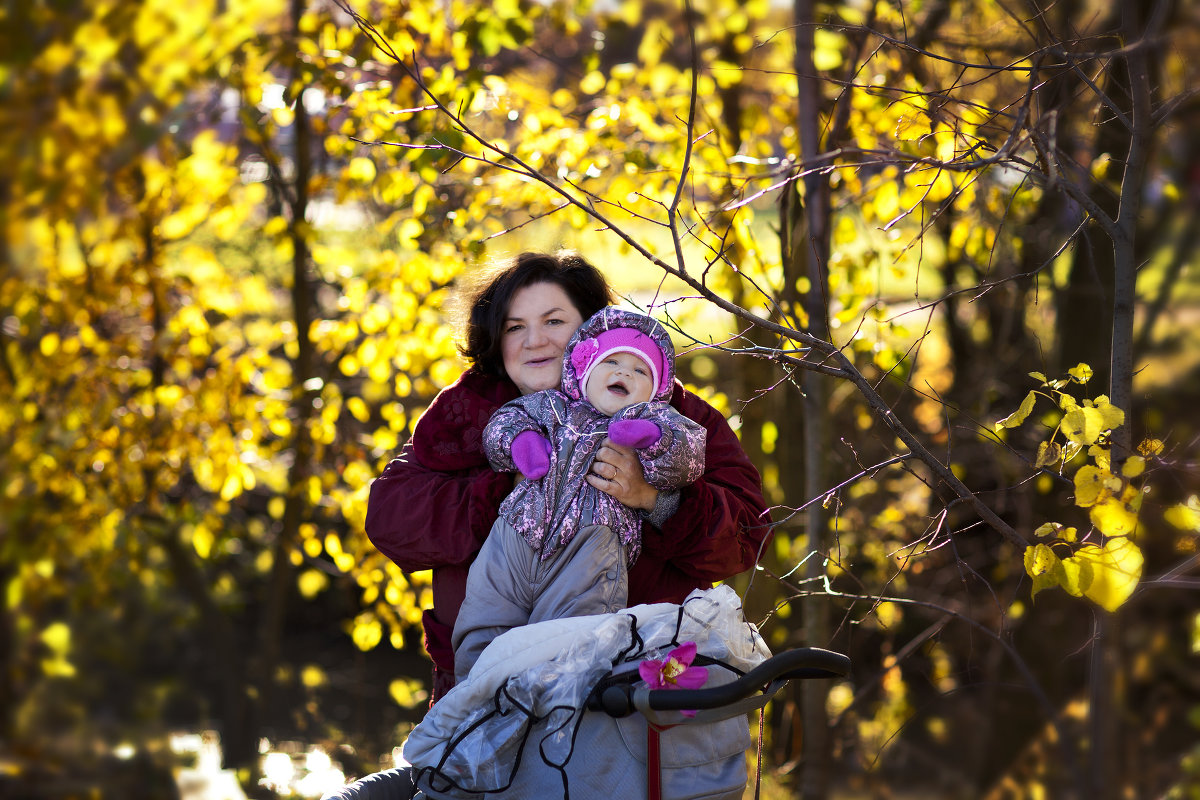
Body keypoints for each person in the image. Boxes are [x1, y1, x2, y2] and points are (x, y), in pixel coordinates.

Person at [365, 250, 772, 704]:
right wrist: (510, 489)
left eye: (554, 322)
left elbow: (748, 533)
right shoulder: (467, 411)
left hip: (630, 695)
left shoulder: (670, 413)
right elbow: (390, 517)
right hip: (478, 689)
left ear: (593, 329)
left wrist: (655, 498)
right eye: (514, 327)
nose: (534, 341)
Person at [452, 307, 707, 681]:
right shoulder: (552, 405)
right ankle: (475, 705)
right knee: (483, 625)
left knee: (569, 645)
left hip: (591, 546)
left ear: (654, 393)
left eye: (640, 372)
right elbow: (505, 421)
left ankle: (549, 715)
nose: (624, 373)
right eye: (612, 362)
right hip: (515, 533)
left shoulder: (659, 419)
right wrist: (522, 442)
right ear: (583, 370)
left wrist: (652, 438)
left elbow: (688, 455)